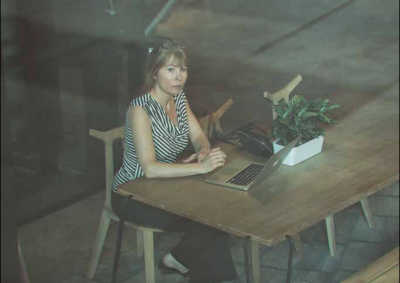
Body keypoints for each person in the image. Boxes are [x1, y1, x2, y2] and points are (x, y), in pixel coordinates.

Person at [111, 39, 237, 283]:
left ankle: (178, 259)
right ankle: (190, 266)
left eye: (183, 69)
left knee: (220, 210)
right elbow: (148, 168)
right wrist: (200, 167)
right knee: (207, 221)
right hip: (133, 195)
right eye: (170, 69)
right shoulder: (140, 110)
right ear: (154, 73)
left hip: (166, 187)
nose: (179, 76)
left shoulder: (178, 98)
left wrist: (204, 151)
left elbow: (199, 135)